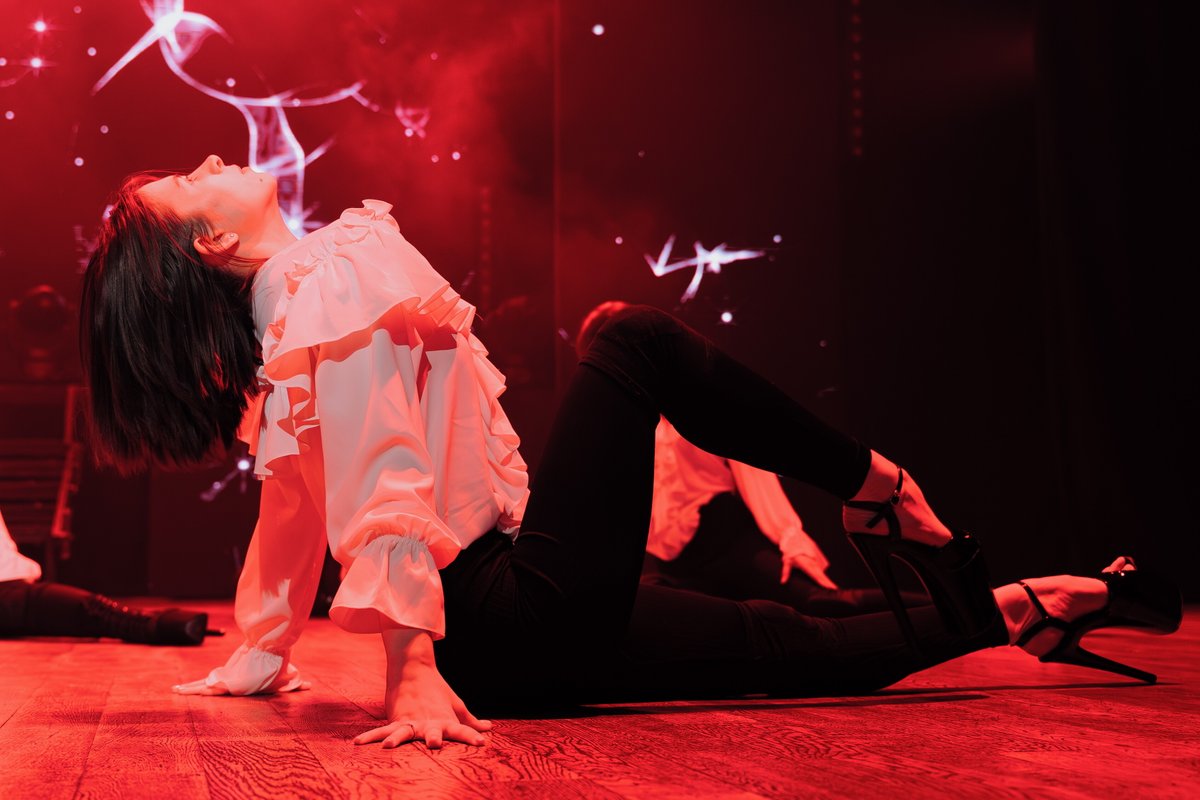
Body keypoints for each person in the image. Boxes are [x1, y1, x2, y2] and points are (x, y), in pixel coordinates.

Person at [79, 155, 1181, 750]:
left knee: (782, 641)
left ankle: (1036, 605)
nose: (213, 157)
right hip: (508, 613)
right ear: (213, 239)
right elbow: (381, 482)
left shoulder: (288, 330)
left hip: (515, 627)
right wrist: (409, 670)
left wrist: (259, 651)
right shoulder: (319, 286)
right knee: (634, 340)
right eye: (191, 177)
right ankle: (882, 487)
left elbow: (289, 515)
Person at [576, 301, 925, 617]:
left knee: (822, 604)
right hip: (673, 564)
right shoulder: (628, 425)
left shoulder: (693, 405)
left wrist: (790, 538)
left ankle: (945, 608)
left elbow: (753, 472)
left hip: (727, 543)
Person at [0, 507, 211, 645]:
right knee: (97, 613)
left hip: (14, 586)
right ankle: (152, 624)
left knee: (96, 611)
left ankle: (153, 622)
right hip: (11, 592)